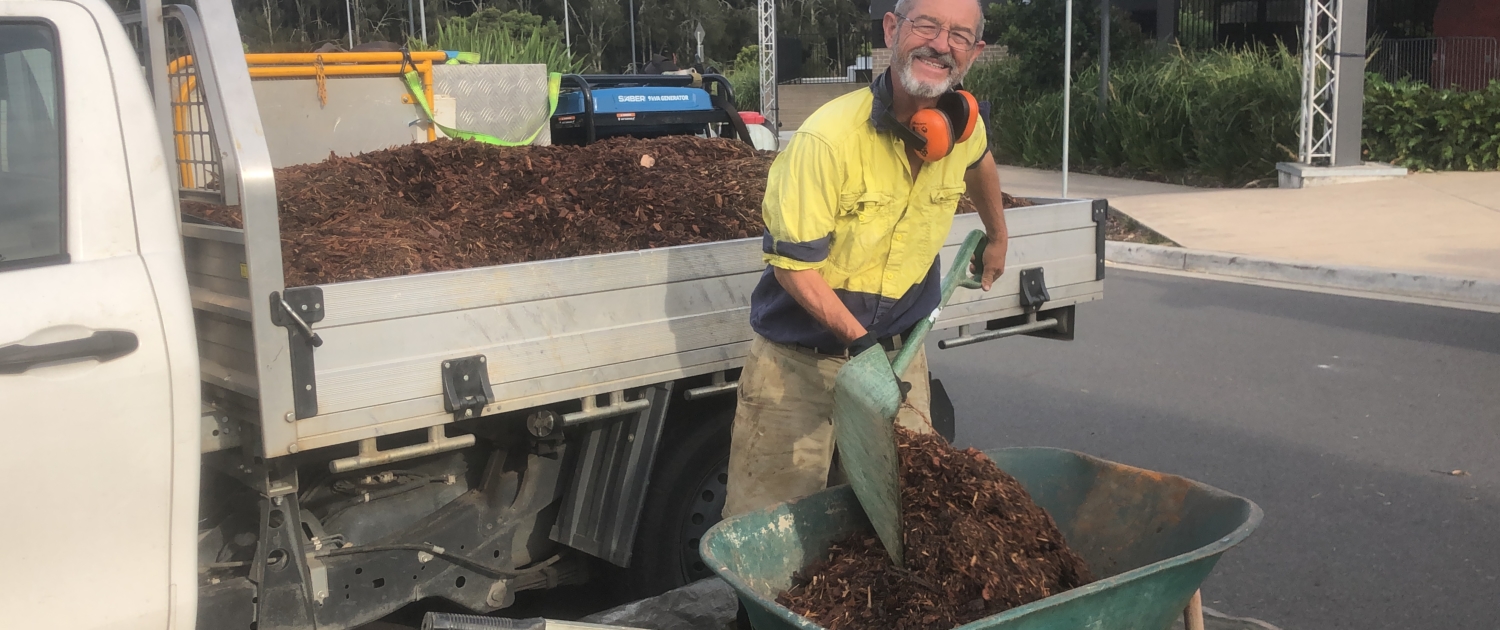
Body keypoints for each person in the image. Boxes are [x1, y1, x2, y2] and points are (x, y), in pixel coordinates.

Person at [722, 0, 1009, 520]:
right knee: (773, 530)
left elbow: (981, 162)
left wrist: (997, 234)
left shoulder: (962, 127)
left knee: (904, 521)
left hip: (901, 359)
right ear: (893, 29)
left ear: (975, 52)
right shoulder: (827, 140)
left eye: (959, 35)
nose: (941, 44)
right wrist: (862, 346)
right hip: (798, 368)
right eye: (927, 25)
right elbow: (793, 268)